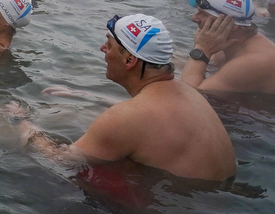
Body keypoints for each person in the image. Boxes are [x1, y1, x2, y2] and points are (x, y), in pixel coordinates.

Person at [16, 13, 236, 181]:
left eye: (109, 45)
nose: (102, 48)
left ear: (130, 60)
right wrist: (86, 95)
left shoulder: (126, 118)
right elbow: (149, 116)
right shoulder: (189, 92)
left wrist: (22, 121)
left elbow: (60, 160)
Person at [182, 0, 275, 97]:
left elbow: (188, 95)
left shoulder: (252, 62)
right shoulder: (230, 42)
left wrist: (201, 49)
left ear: (231, 24)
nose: (194, 18)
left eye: (203, 14)